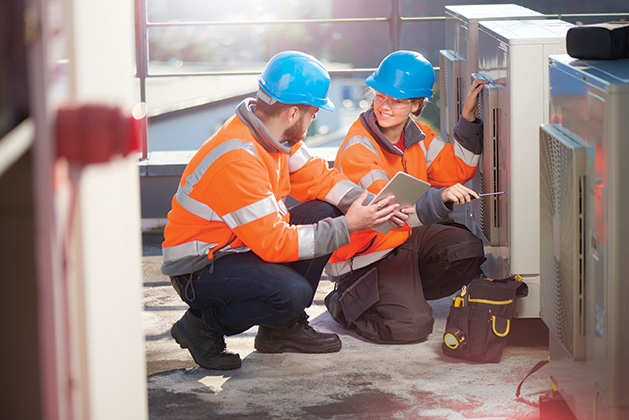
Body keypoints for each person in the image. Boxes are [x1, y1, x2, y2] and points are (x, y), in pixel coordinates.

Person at [161, 50, 406, 370]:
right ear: (292, 112)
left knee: (324, 211)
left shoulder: (274, 135)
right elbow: (275, 244)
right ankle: (201, 325)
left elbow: (320, 179)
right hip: (199, 268)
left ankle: (280, 330)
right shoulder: (238, 158)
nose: (316, 117)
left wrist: (370, 206)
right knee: (291, 293)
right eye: (314, 111)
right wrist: (350, 225)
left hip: (235, 248)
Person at [324, 50, 488, 344]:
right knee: (409, 328)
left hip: (404, 238)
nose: (384, 106)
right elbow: (387, 216)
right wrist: (440, 199)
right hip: (367, 254)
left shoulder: (417, 136)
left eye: (396, 100)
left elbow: (458, 170)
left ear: (415, 105)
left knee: (467, 249)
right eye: (380, 96)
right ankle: (347, 300)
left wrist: (468, 119)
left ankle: (399, 293)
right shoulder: (358, 149)